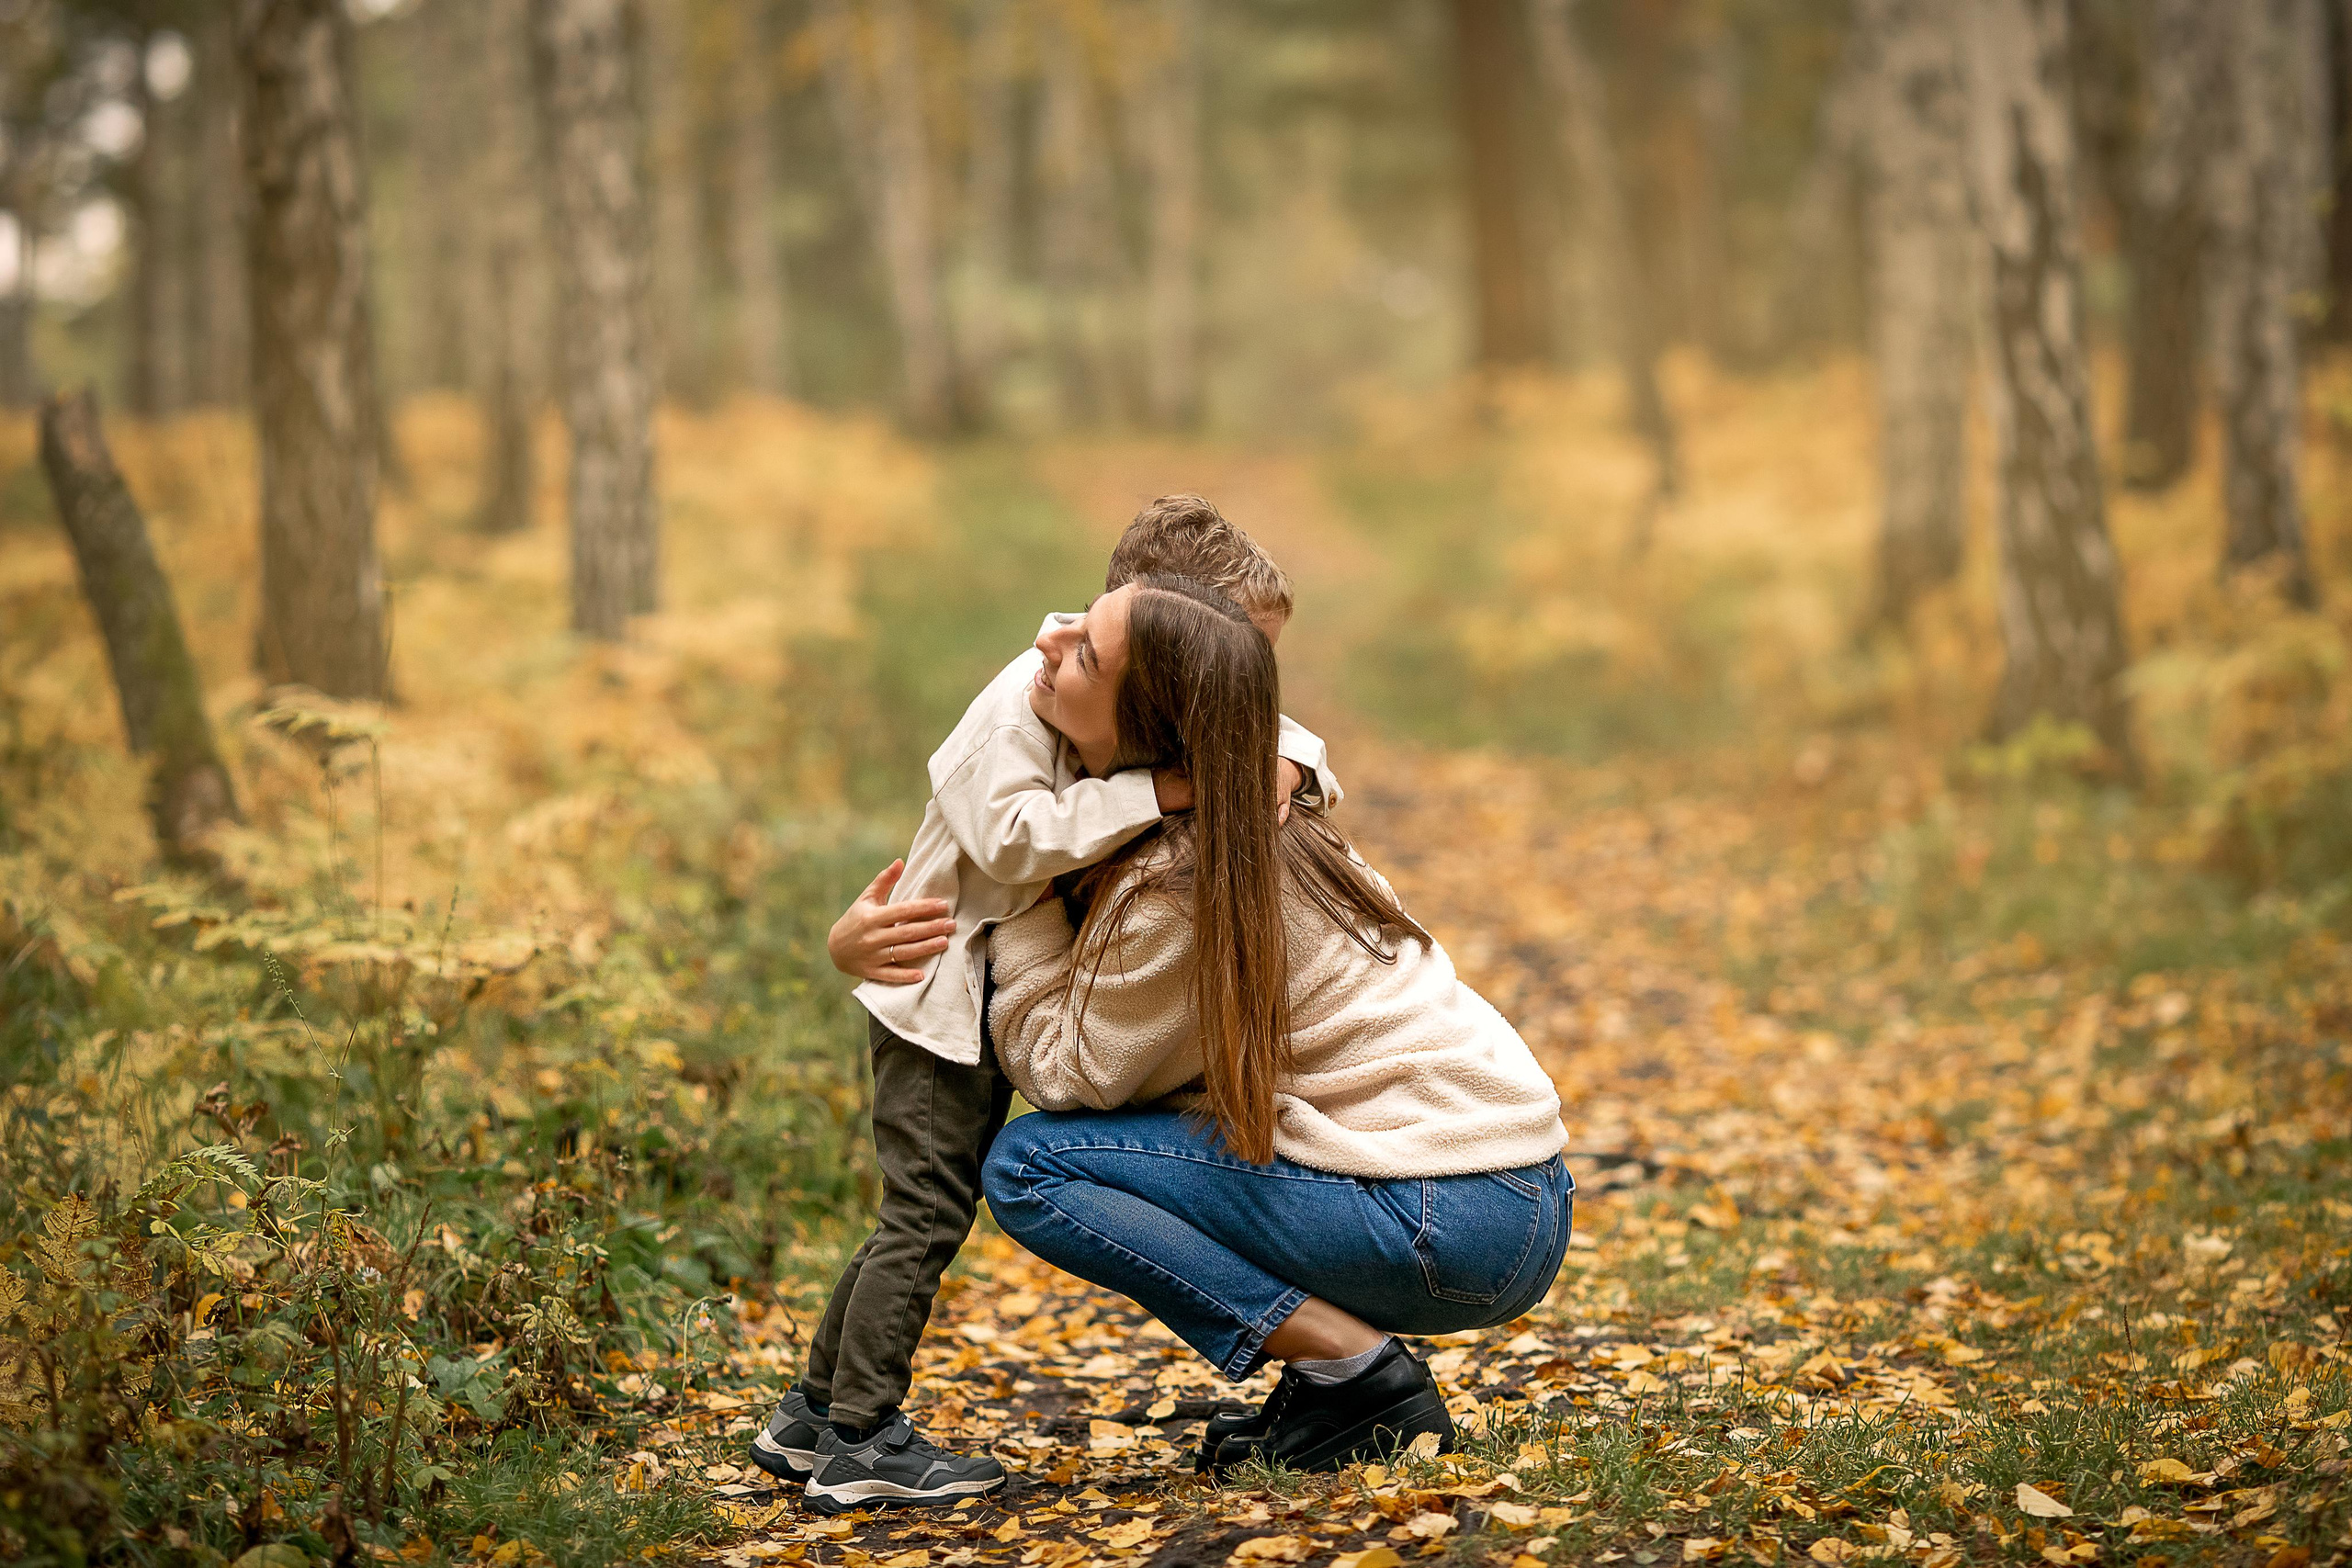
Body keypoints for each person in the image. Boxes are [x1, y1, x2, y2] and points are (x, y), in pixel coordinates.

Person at [752, 498, 1343, 1513]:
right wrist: (1164, 793)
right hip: (935, 1003)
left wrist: (1291, 764)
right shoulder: (1021, 703)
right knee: (924, 1216)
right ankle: (859, 1437)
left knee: (919, 1212)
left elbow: (1285, 744)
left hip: (978, 998)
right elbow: (1009, 841)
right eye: (1234, 655)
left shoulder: (1128, 679)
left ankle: (811, 1414)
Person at [982, 575, 1571, 1473]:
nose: (1046, 643)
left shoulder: (1180, 882)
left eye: (1084, 654)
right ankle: (1337, 1392)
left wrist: (1014, 901)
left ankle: (1355, 1371)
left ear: (1150, 730)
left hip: (1450, 1215)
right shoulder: (1259, 811)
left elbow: (1069, 1075)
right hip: (1506, 1196)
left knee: (1032, 1166)